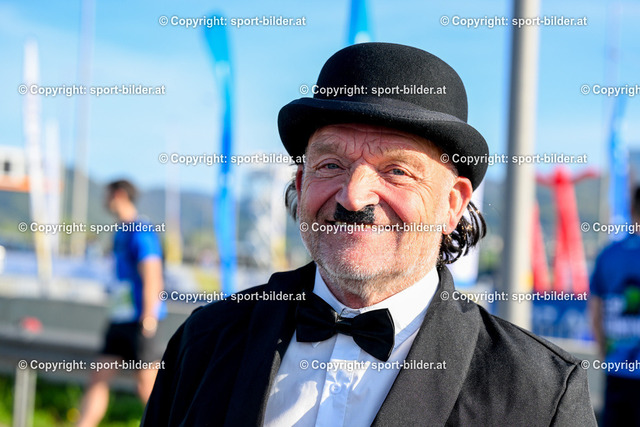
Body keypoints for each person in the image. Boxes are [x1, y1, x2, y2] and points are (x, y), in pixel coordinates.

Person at [143, 42, 596, 426]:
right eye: (330, 165)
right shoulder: (204, 342)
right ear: (300, 184)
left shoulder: (540, 394)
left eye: (396, 170)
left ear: (452, 204)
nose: (353, 196)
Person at [77, 179, 166, 427]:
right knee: (99, 377)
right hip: (119, 318)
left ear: (118, 195)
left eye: (106, 195)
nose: (103, 201)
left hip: (141, 320)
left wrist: (148, 319)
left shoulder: (141, 230)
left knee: (147, 385)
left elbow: (153, 275)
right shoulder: (120, 231)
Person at [590, 186, 640, 426]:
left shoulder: (608, 255)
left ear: (632, 209)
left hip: (616, 371)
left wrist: (606, 356)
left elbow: (595, 314)